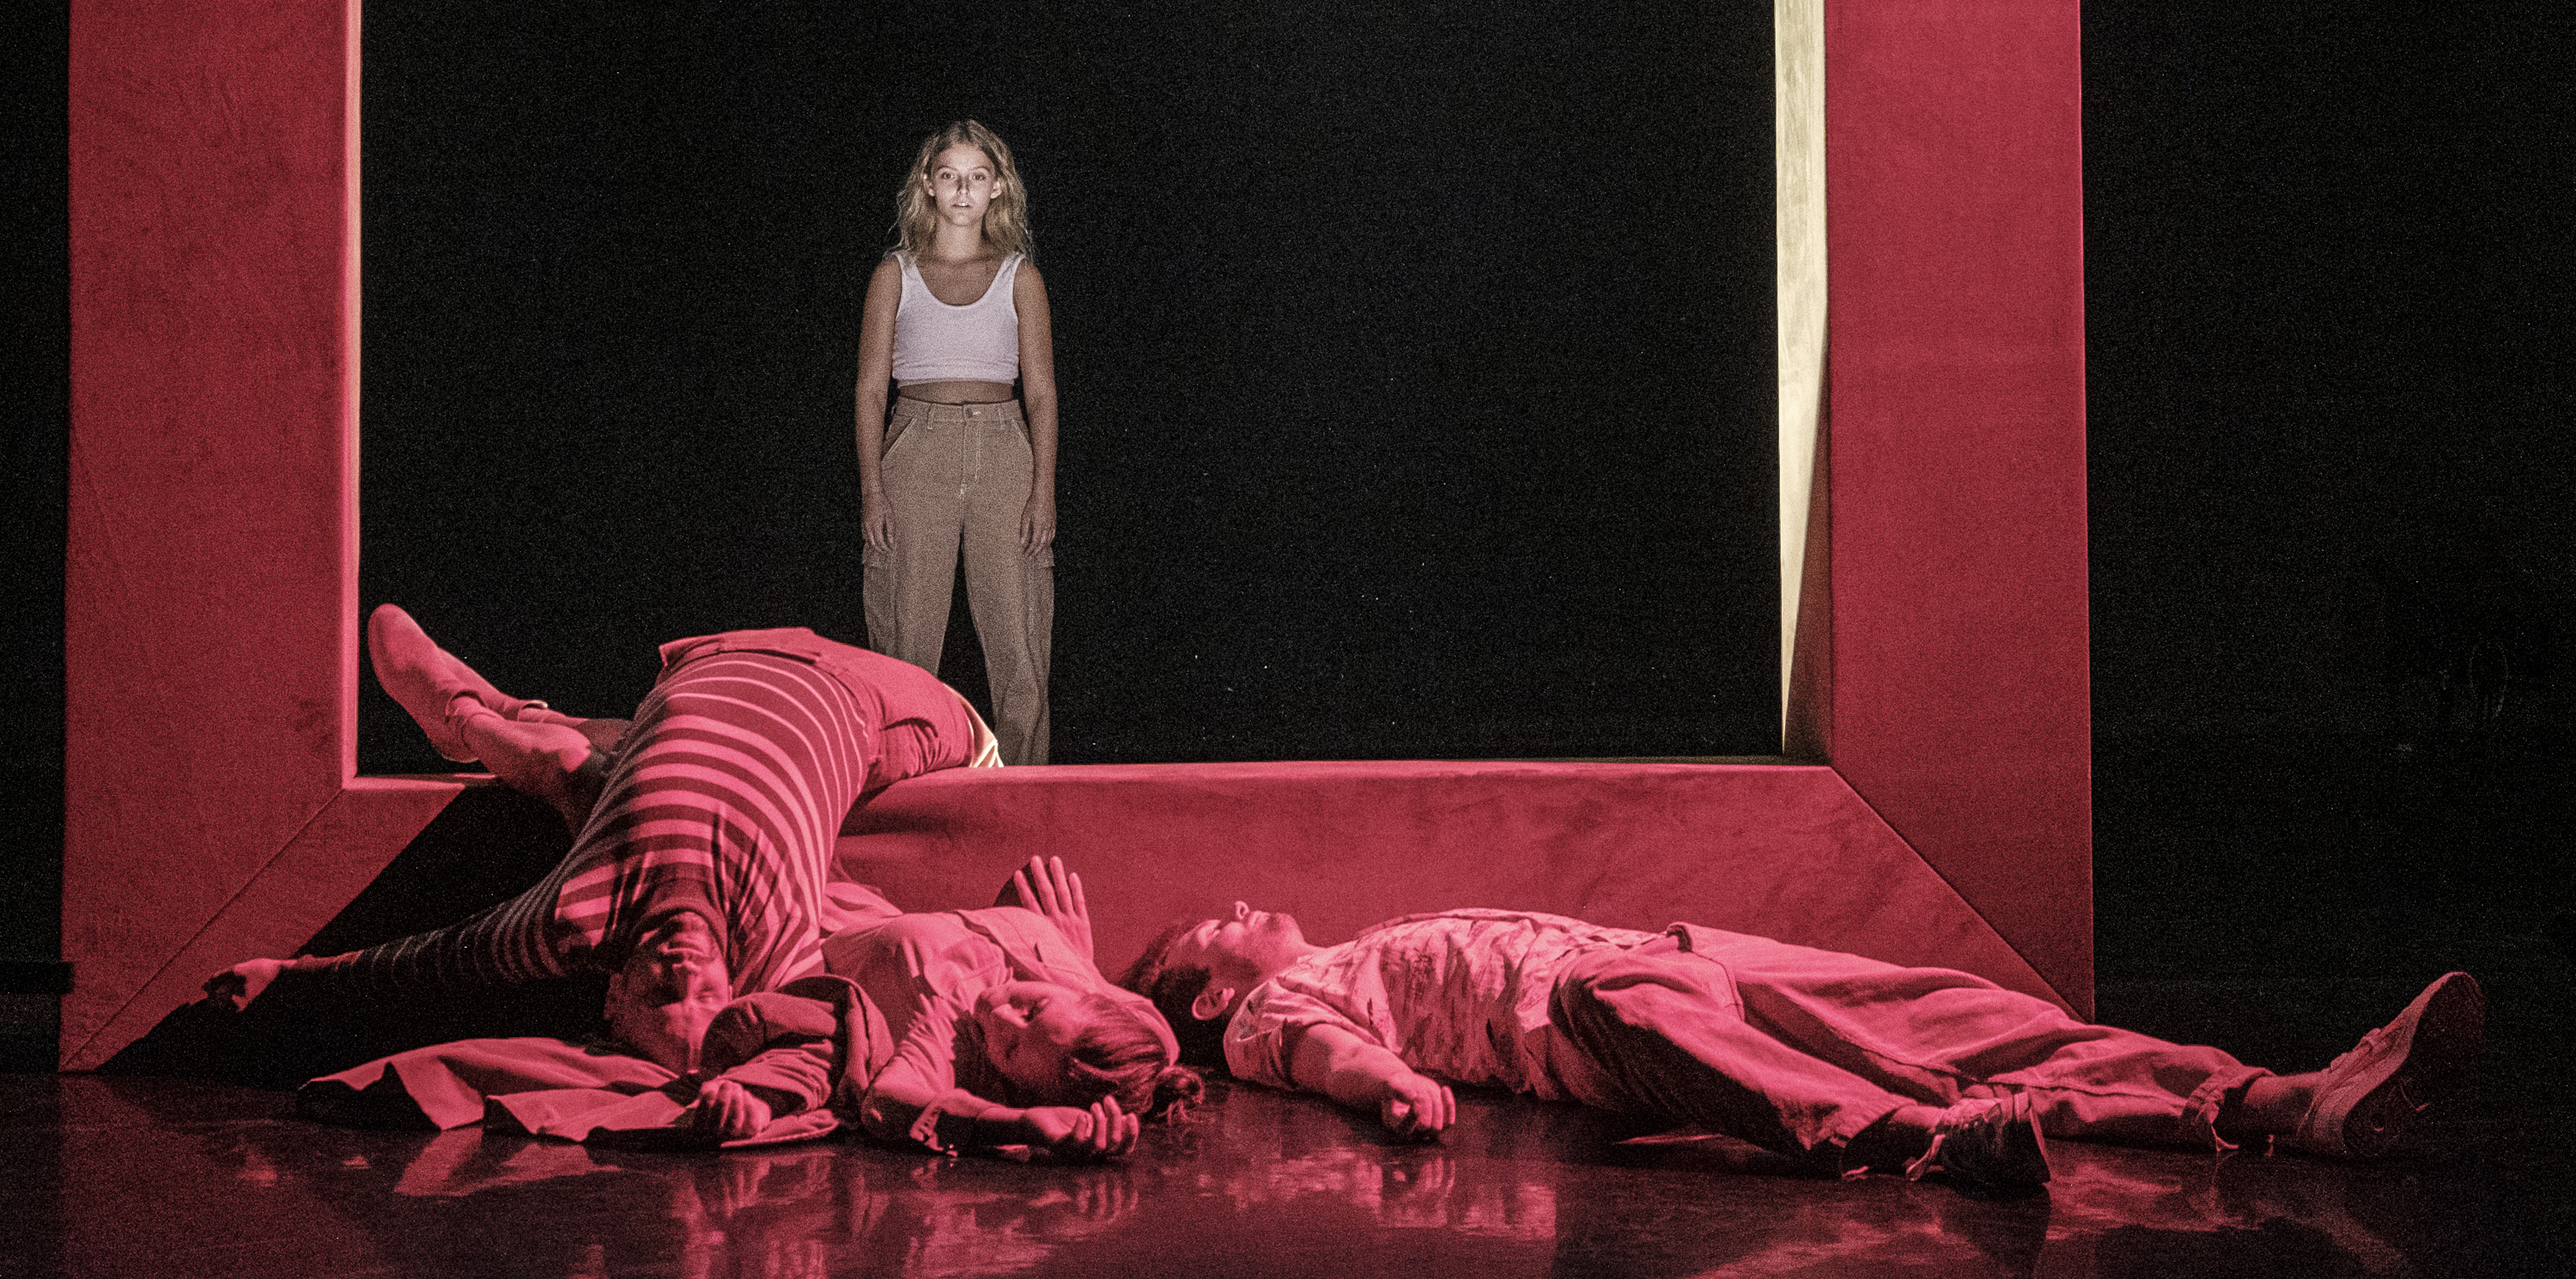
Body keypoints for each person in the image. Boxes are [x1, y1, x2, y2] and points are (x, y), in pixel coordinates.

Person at [1125, 904, 2486, 1191]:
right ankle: (1920, 1142)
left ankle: (2282, 1100)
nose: (1242, 904)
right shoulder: (1270, 1017)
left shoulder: (1346, 945)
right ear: (1212, 997)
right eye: (1214, 926)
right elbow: (1347, 1070)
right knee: (1925, 1087)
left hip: (1669, 952)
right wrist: (1397, 1093)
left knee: (1965, 1018)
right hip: (1591, 1011)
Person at [211, 603, 1005, 1076]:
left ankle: (468, 717)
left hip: (703, 669)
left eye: (662, 994)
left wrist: (291, 979)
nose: (685, 972)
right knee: (601, 775)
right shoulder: (781, 949)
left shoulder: (572, 917)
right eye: (707, 996)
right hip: (879, 700)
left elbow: (431, 961)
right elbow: (867, 1031)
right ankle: (509, 718)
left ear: (614, 992)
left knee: (573, 775)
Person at [300, 857, 1202, 1161]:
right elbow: (1153, 1039)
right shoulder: (1098, 995)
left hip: (777, 930)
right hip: (815, 881)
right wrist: (1074, 958)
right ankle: (504, 724)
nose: (1000, 1013)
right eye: (1030, 1008)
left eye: (1007, 1046)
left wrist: (1027, 1124)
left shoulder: (944, 1013)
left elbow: (895, 1101)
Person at [855, 119, 1057, 767]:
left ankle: (1026, 789)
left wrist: (1044, 490)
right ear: (928, 184)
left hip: (1004, 450)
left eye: (976, 177)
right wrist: (873, 491)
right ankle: (904, 788)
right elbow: (869, 392)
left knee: (1018, 640)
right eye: (950, 176)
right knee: (906, 643)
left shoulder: (1020, 277)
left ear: (997, 187)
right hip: (918, 447)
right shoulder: (896, 274)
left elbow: (1042, 394)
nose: (963, 191)